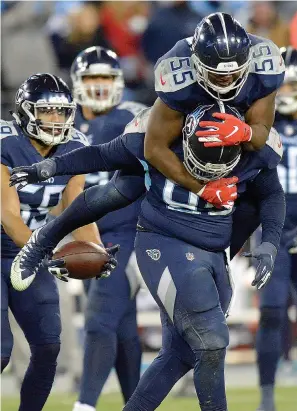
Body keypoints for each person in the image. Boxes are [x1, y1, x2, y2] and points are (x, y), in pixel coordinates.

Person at [9, 101, 285, 411]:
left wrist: (270, 243)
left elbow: (272, 193)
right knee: (210, 341)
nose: (212, 170)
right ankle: (41, 242)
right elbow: (100, 156)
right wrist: (53, 166)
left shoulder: (253, 147)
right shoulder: (154, 137)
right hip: (165, 242)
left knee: (180, 353)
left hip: (214, 250)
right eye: (202, 159)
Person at [0, 73, 117, 411]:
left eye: (62, 112)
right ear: (25, 112)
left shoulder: (76, 146)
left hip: (28, 250)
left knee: (49, 345)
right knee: (1, 351)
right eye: (48, 111)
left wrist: (98, 252)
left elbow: (75, 210)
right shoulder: (7, 143)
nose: (56, 120)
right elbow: (9, 216)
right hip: (16, 241)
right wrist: (45, 252)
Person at [70, 46, 146, 411]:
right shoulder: (61, 121)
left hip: (123, 233)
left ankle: (84, 405)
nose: (99, 86)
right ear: (77, 83)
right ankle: (137, 403)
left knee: (100, 320)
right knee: (123, 327)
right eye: (91, 78)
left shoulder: (133, 119)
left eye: (106, 78)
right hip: (81, 232)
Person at [143, 12, 285, 200]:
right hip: (187, 142)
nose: (226, 79)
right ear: (197, 64)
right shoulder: (177, 73)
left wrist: (246, 132)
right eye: (215, 73)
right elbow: (154, 149)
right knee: (130, 164)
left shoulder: (265, 63)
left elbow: (259, 136)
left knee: (268, 157)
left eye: (234, 72)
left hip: (238, 150)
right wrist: (199, 189)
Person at [255, 46, 297, 411]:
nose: (286, 95)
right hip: (272, 225)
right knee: (270, 311)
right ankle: (267, 398)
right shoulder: (256, 122)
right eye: (281, 88)